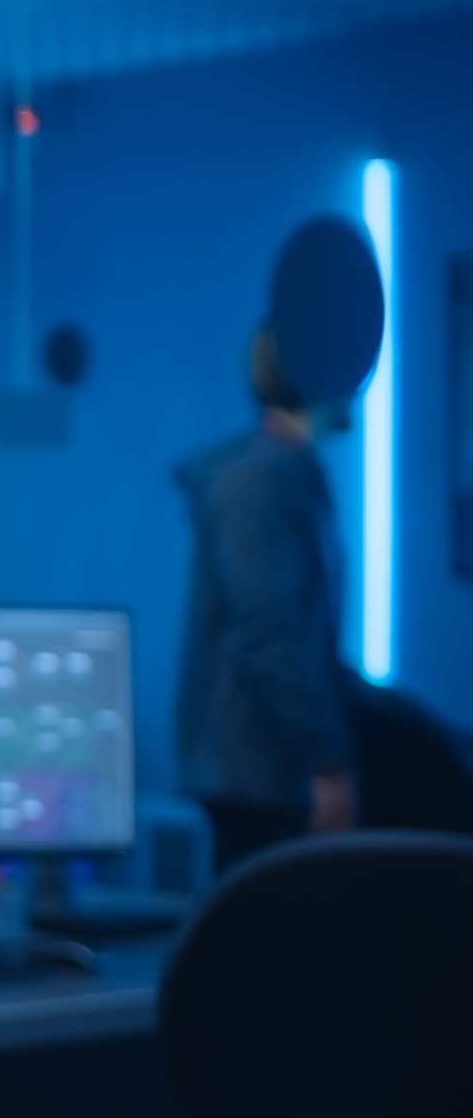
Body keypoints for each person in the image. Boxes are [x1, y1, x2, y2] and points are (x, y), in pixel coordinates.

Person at [176, 324, 359, 876]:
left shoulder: (284, 473)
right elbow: (269, 629)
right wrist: (326, 760)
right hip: (258, 781)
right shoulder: (260, 480)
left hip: (268, 773)